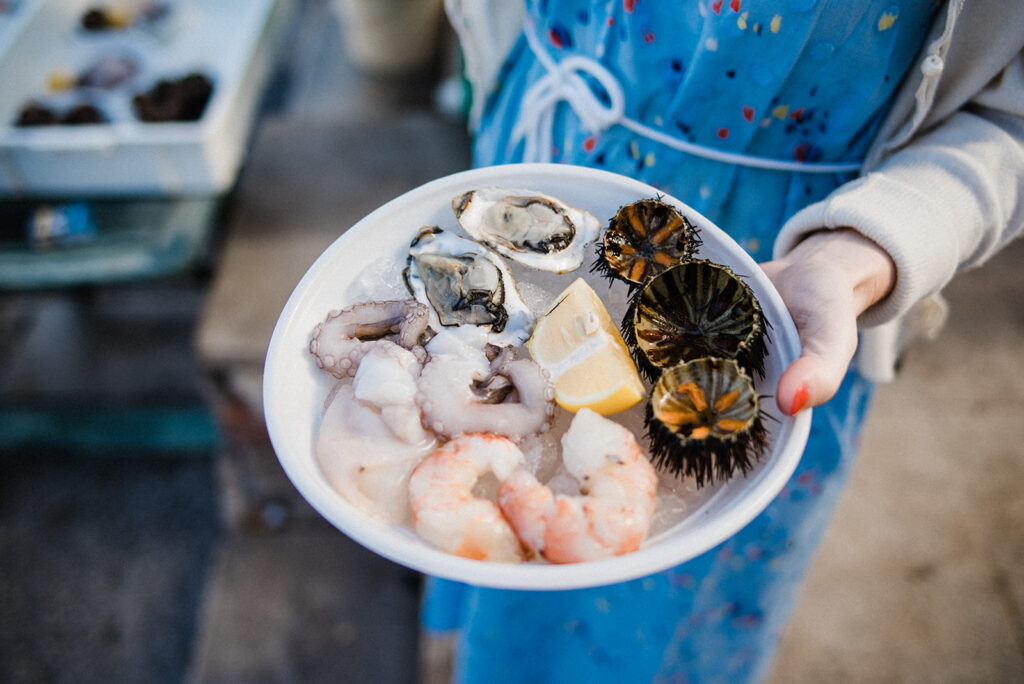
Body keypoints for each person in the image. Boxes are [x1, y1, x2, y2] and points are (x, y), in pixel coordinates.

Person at [422, 1, 1024, 681]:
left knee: (663, 586)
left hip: (783, 250)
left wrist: (859, 249)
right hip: (546, 147)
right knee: (487, 510)